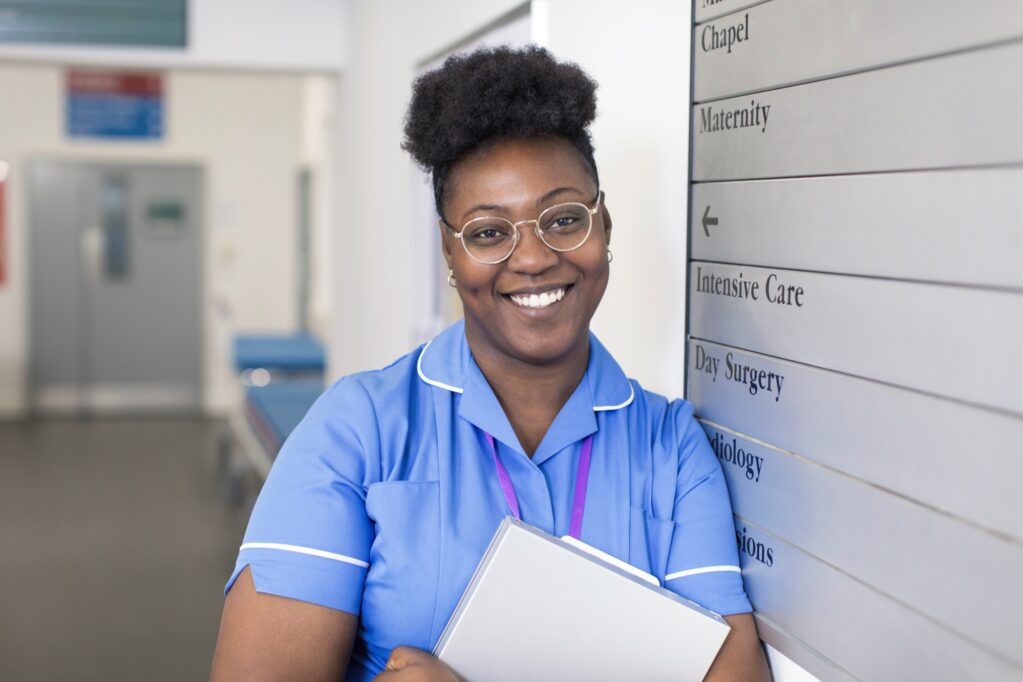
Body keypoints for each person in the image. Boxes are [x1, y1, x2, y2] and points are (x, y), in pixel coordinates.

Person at [210, 46, 770, 681]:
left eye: (563, 219)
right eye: (487, 232)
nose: (532, 258)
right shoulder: (358, 430)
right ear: (449, 251)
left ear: (604, 225)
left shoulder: (672, 450)